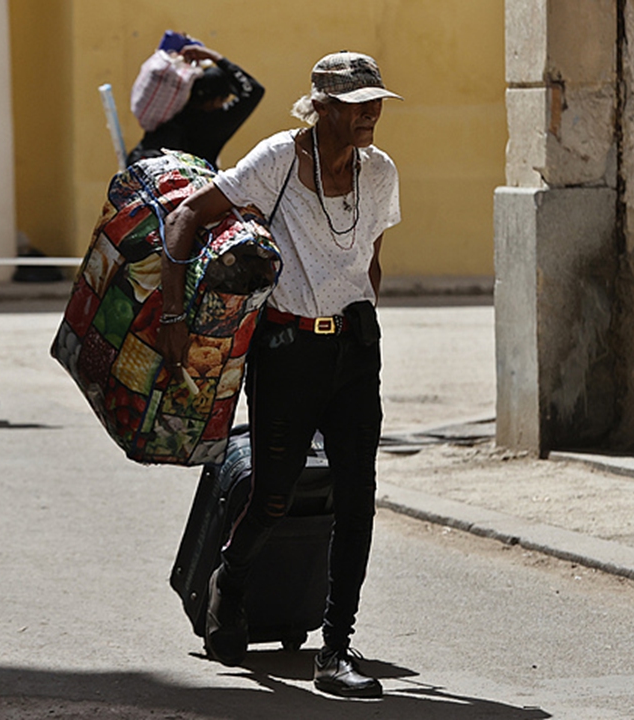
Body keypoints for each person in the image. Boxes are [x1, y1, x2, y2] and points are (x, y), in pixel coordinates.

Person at [156, 51, 401, 698]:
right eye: (355, 103)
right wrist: (174, 313)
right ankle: (229, 582)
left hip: (354, 348)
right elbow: (186, 218)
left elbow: (371, 263)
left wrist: (364, 331)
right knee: (272, 493)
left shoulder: (379, 174)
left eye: (375, 100)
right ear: (321, 107)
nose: (371, 112)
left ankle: (336, 647)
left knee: (357, 497)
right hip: (288, 349)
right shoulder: (278, 162)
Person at [126, 42, 264, 168]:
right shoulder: (219, 121)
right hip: (195, 187)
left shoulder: (174, 110)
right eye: (225, 97)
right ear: (215, 100)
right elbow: (254, 90)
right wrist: (215, 57)